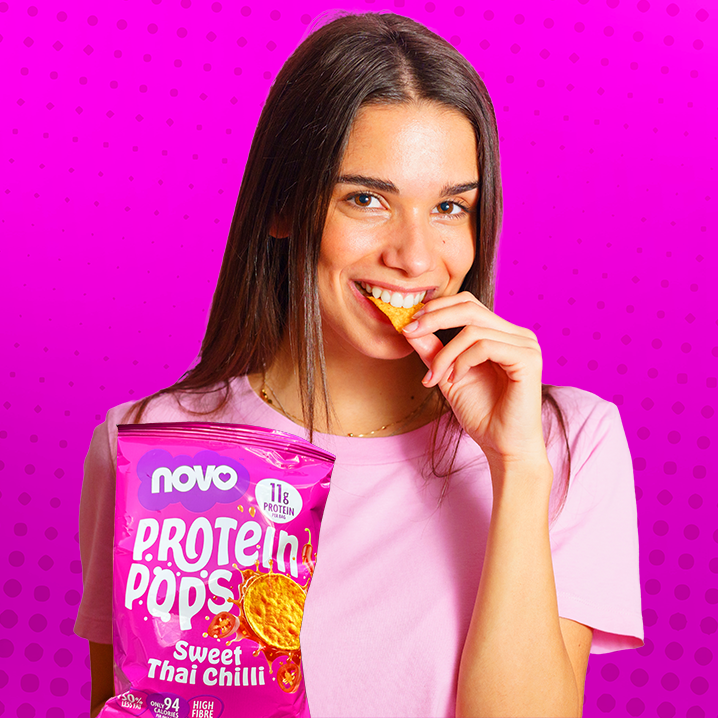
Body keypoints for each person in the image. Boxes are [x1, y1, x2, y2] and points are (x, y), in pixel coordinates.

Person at [74, 11, 643, 718]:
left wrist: (518, 469)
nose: (414, 256)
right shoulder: (151, 443)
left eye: (450, 207)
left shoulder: (566, 440)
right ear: (283, 207)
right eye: (367, 199)